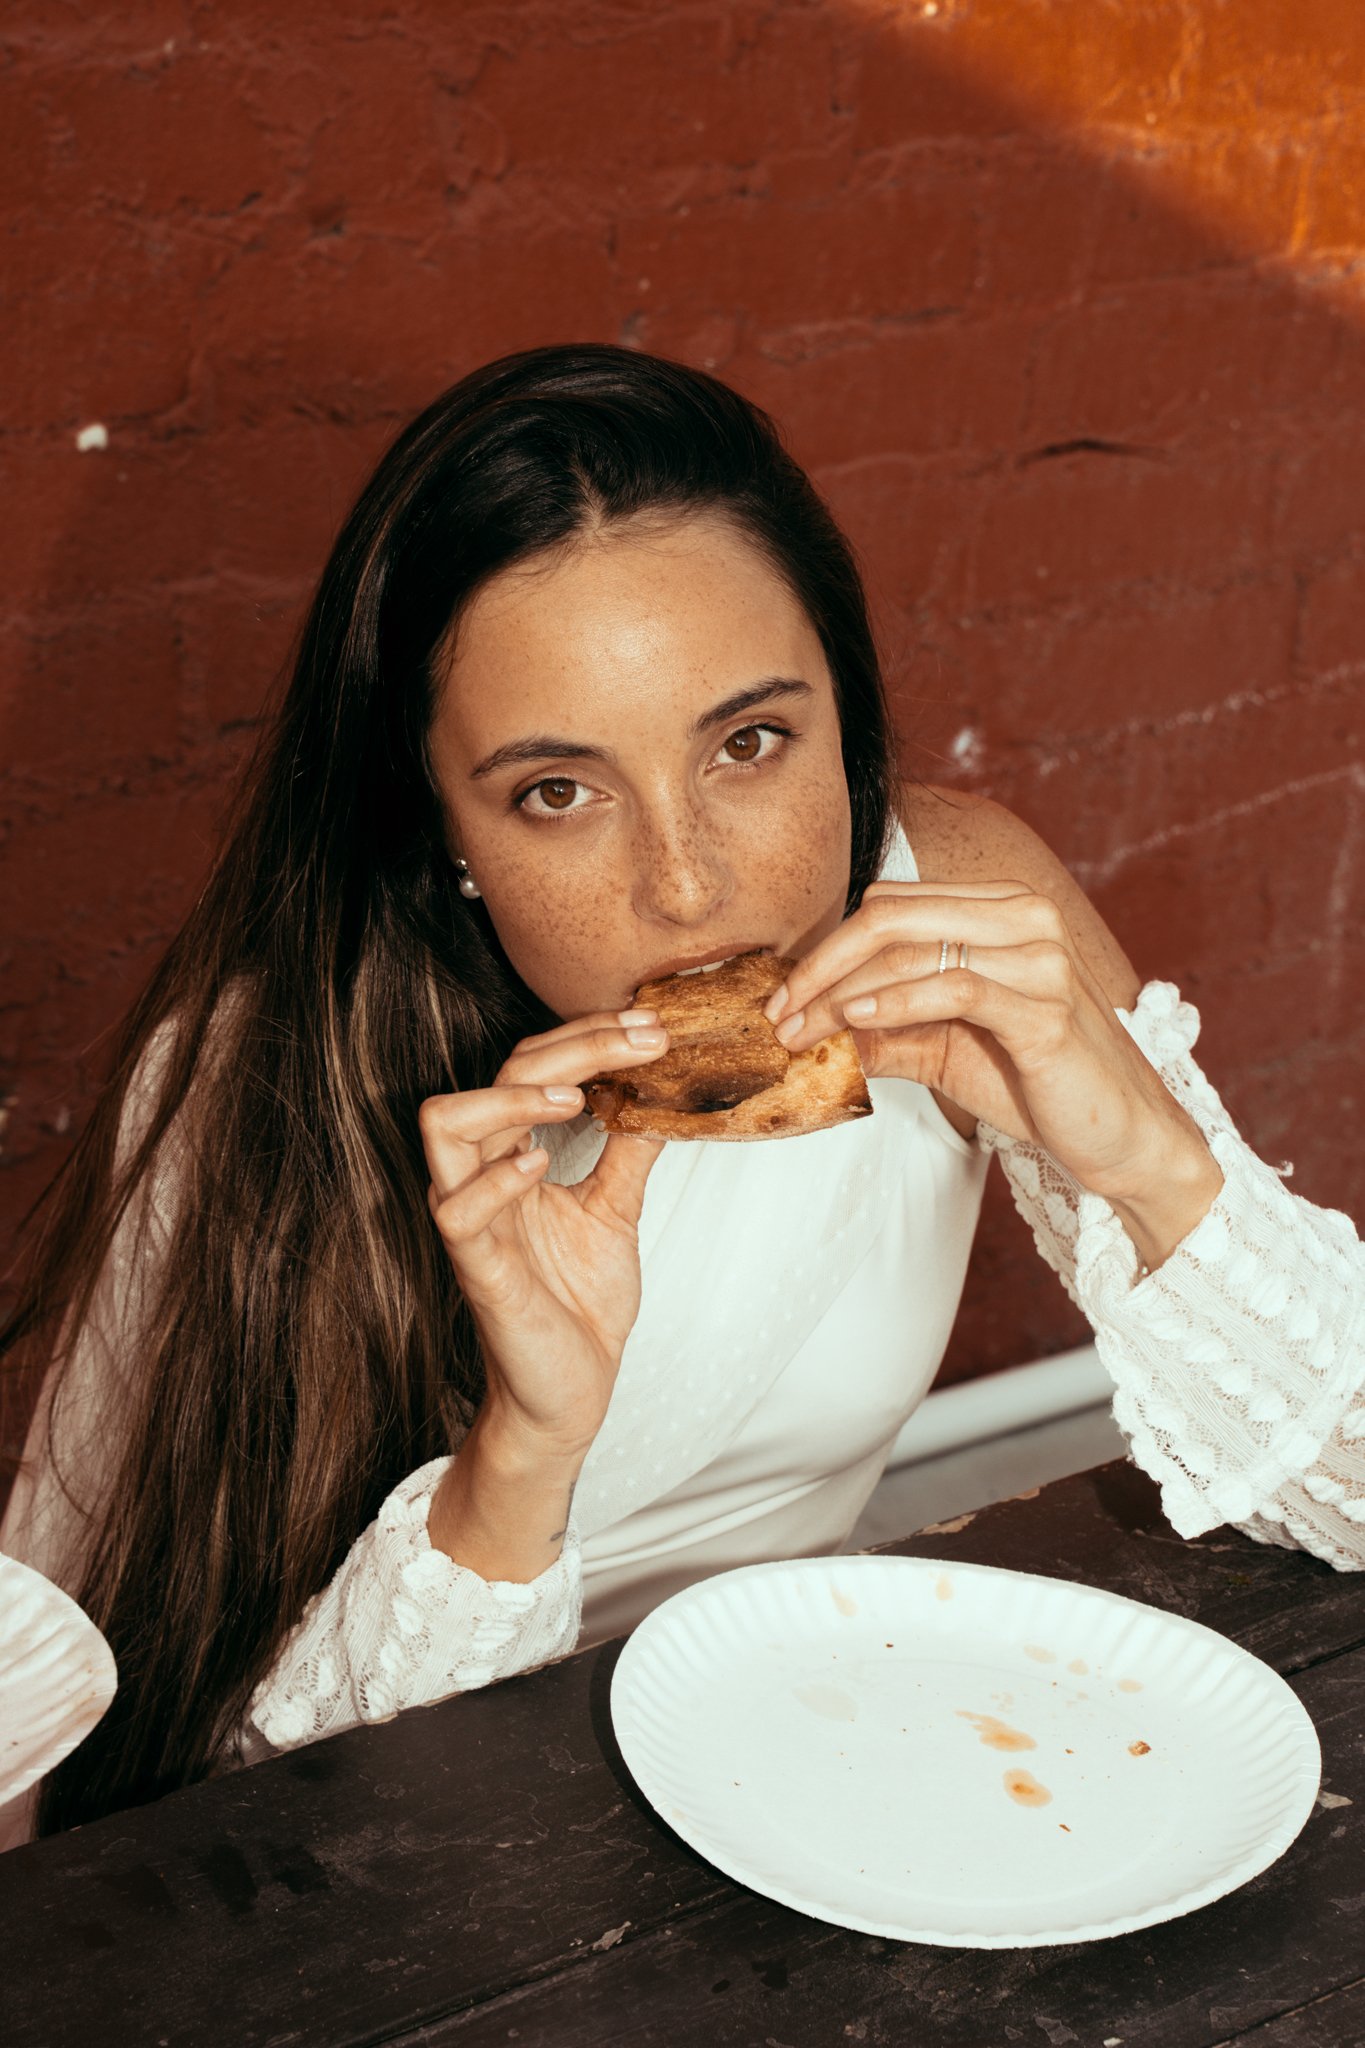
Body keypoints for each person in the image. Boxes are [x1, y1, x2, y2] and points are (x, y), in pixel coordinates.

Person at [2, 344, 1361, 1849]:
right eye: (556, 792)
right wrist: (521, 1453)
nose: (690, 884)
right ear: (439, 828)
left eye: (750, 742)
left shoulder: (960, 916)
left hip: (815, 1774)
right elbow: (229, 1812)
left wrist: (1153, 1167)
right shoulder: (270, 1082)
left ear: (849, 719)